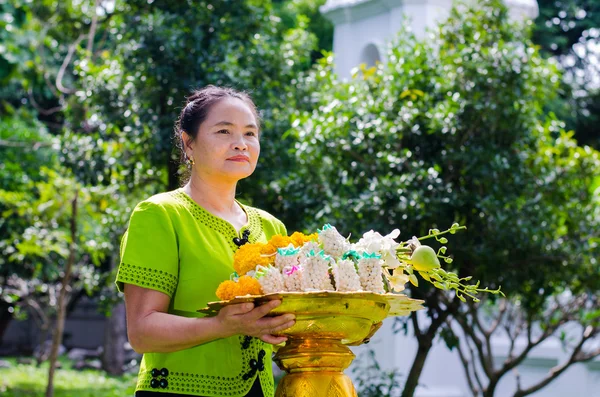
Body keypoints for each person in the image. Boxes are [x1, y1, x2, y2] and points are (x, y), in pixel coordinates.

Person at [115, 86, 296, 397]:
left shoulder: (271, 226)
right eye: (224, 131)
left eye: (250, 134)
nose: (241, 144)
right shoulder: (160, 215)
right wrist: (223, 326)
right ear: (189, 143)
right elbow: (142, 331)